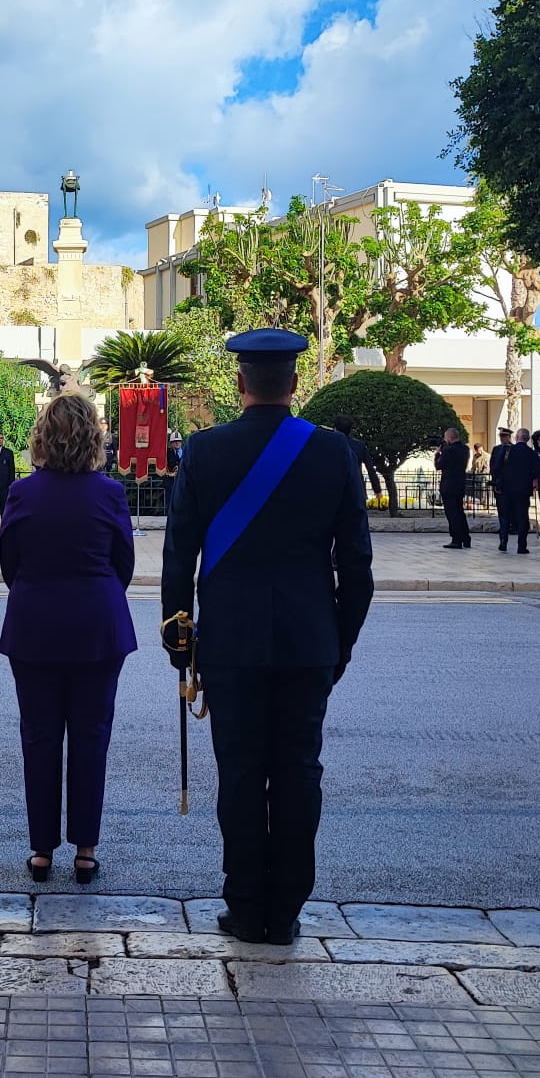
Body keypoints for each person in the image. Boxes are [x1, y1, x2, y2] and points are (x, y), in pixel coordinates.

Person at [161, 328, 374, 945]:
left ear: (239, 383)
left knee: (241, 772)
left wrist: (180, 635)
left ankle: (245, 903)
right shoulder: (336, 454)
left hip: (230, 645)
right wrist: (342, 641)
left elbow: (180, 558)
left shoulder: (204, 451)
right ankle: (286, 910)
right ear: (295, 385)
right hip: (310, 643)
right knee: (300, 771)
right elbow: (355, 566)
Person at [0, 394, 136, 884]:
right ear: (94, 439)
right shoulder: (110, 494)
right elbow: (125, 566)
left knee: (38, 736)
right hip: (98, 626)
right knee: (91, 737)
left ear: (40, 437)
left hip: (34, 625)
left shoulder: (21, 493)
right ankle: (85, 849)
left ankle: (41, 850)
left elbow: (9, 565)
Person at [498, 428, 540, 554]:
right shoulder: (531, 453)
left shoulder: (508, 451)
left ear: (517, 437)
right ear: (527, 439)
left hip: (507, 489)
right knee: (522, 517)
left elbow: (498, 467)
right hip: (523, 490)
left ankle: (503, 541)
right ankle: (521, 545)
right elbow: (537, 471)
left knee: (505, 515)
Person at [434, 426, 470, 549]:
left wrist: (438, 453)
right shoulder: (465, 449)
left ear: (449, 437)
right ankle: (466, 538)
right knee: (460, 512)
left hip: (449, 486)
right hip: (459, 485)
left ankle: (456, 539)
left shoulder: (448, 451)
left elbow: (439, 465)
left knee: (452, 514)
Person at [488, 428, 512, 547]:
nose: (502, 438)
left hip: (509, 485)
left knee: (509, 511)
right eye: (501, 436)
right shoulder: (496, 449)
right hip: (498, 484)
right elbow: (492, 465)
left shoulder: (513, 449)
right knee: (501, 511)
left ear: (509, 437)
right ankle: (503, 535)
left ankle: (508, 529)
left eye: (505, 436)